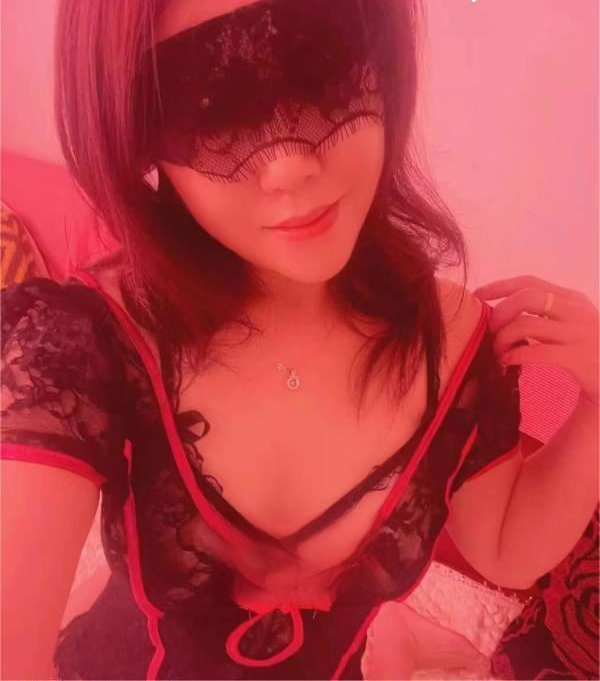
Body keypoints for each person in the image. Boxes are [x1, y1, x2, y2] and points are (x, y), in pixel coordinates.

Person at [1, 0, 527, 678]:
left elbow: (511, 551)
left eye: (323, 69)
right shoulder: (83, 344)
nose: (288, 168)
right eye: (209, 110)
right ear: (137, 131)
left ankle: (400, 637)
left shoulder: (448, 334)